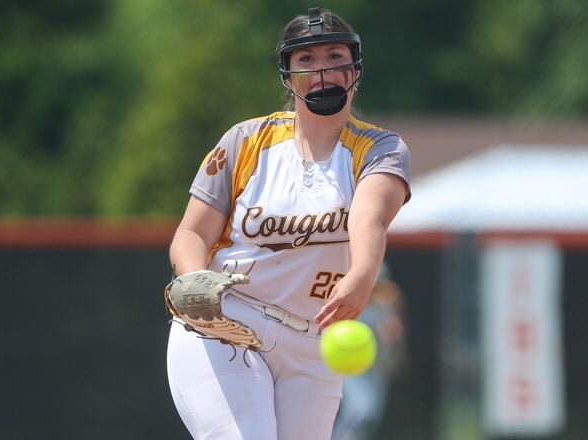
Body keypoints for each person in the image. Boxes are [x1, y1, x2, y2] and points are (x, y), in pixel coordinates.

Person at [166, 7, 411, 440]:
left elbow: (369, 217)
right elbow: (191, 233)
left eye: (334, 57)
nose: (322, 71)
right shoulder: (245, 142)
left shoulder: (379, 149)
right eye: (306, 60)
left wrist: (362, 273)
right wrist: (194, 280)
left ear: (354, 68)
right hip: (230, 322)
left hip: (315, 343)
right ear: (289, 74)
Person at [332, 263, 408, 440]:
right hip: (348, 363)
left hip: (375, 364)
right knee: (361, 410)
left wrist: (392, 330)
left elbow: (393, 333)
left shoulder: (387, 300)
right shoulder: (347, 296)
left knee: (371, 414)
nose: (377, 286)